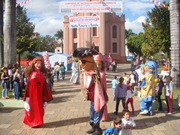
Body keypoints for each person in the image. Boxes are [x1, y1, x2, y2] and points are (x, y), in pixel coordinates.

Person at [73, 48, 108, 135]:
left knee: (97, 110)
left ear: (91, 61)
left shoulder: (97, 74)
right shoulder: (87, 73)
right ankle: (93, 126)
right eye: (80, 62)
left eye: (83, 62)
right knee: (92, 111)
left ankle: (97, 129)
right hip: (92, 97)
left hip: (98, 97)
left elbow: (103, 86)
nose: (81, 65)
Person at [23, 57, 53, 127]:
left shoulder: (42, 74)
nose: (39, 65)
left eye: (40, 64)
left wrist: (45, 98)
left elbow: (44, 87)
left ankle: (38, 122)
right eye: (37, 63)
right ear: (34, 64)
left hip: (40, 96)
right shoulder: (31, 74)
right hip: (32, 96)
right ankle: (33, 123)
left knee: (40, 110)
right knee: (32, 110)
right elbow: (28, 87)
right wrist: (27, 98)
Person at [93, 53, 108, 122]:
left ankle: (104, 116)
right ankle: (96, 116)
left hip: (101, 91)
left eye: (99, 64)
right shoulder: (92, 73)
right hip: (95, 92)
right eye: (96, 64)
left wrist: (105, 91)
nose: (98, 66)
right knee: (96, 104)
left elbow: (104, 84)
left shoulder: (102, 73)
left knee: (102, 103)